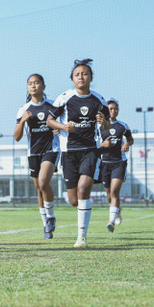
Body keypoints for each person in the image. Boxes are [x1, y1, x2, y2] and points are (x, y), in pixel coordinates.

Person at [47, 58, 110, 248]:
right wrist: (64, 126)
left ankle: (81, 236)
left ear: (91, 77)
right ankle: (81, 220)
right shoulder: (65, 97)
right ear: (72, 79)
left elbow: (107, 125)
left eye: (84, 74)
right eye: (77, 74)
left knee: (84, 190)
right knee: (74, 200)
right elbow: (50, 120)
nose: (81, 77)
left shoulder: (99, 100)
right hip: (68, 152)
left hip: (90, 150)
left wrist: (103, 122)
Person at [14, 74, 60, 240]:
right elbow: (17, 136)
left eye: (36, 83)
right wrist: (23, 121)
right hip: (33, 152)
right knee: (39, 189)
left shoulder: (53, 105)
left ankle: (51, 216)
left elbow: (62, 122)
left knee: (43, 182)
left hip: (51, 149)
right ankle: (46, 226)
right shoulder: (24, 109)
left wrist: (59, 129)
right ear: (27, 87)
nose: (33, 86)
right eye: (30, 84)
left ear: (43, 86)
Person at [99, 99, 134, 232]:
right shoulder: (99, 126)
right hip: (104, 163)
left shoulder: (122, 126)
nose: (113, 111)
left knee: (114, 192)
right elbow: (94, 143)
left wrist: (126, 144)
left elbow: (130, 139)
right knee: (109, 194)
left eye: (115, 109)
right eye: (110, 109)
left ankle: (111, 222)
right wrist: (103, 145)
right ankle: (117, 211)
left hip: (119, 163)